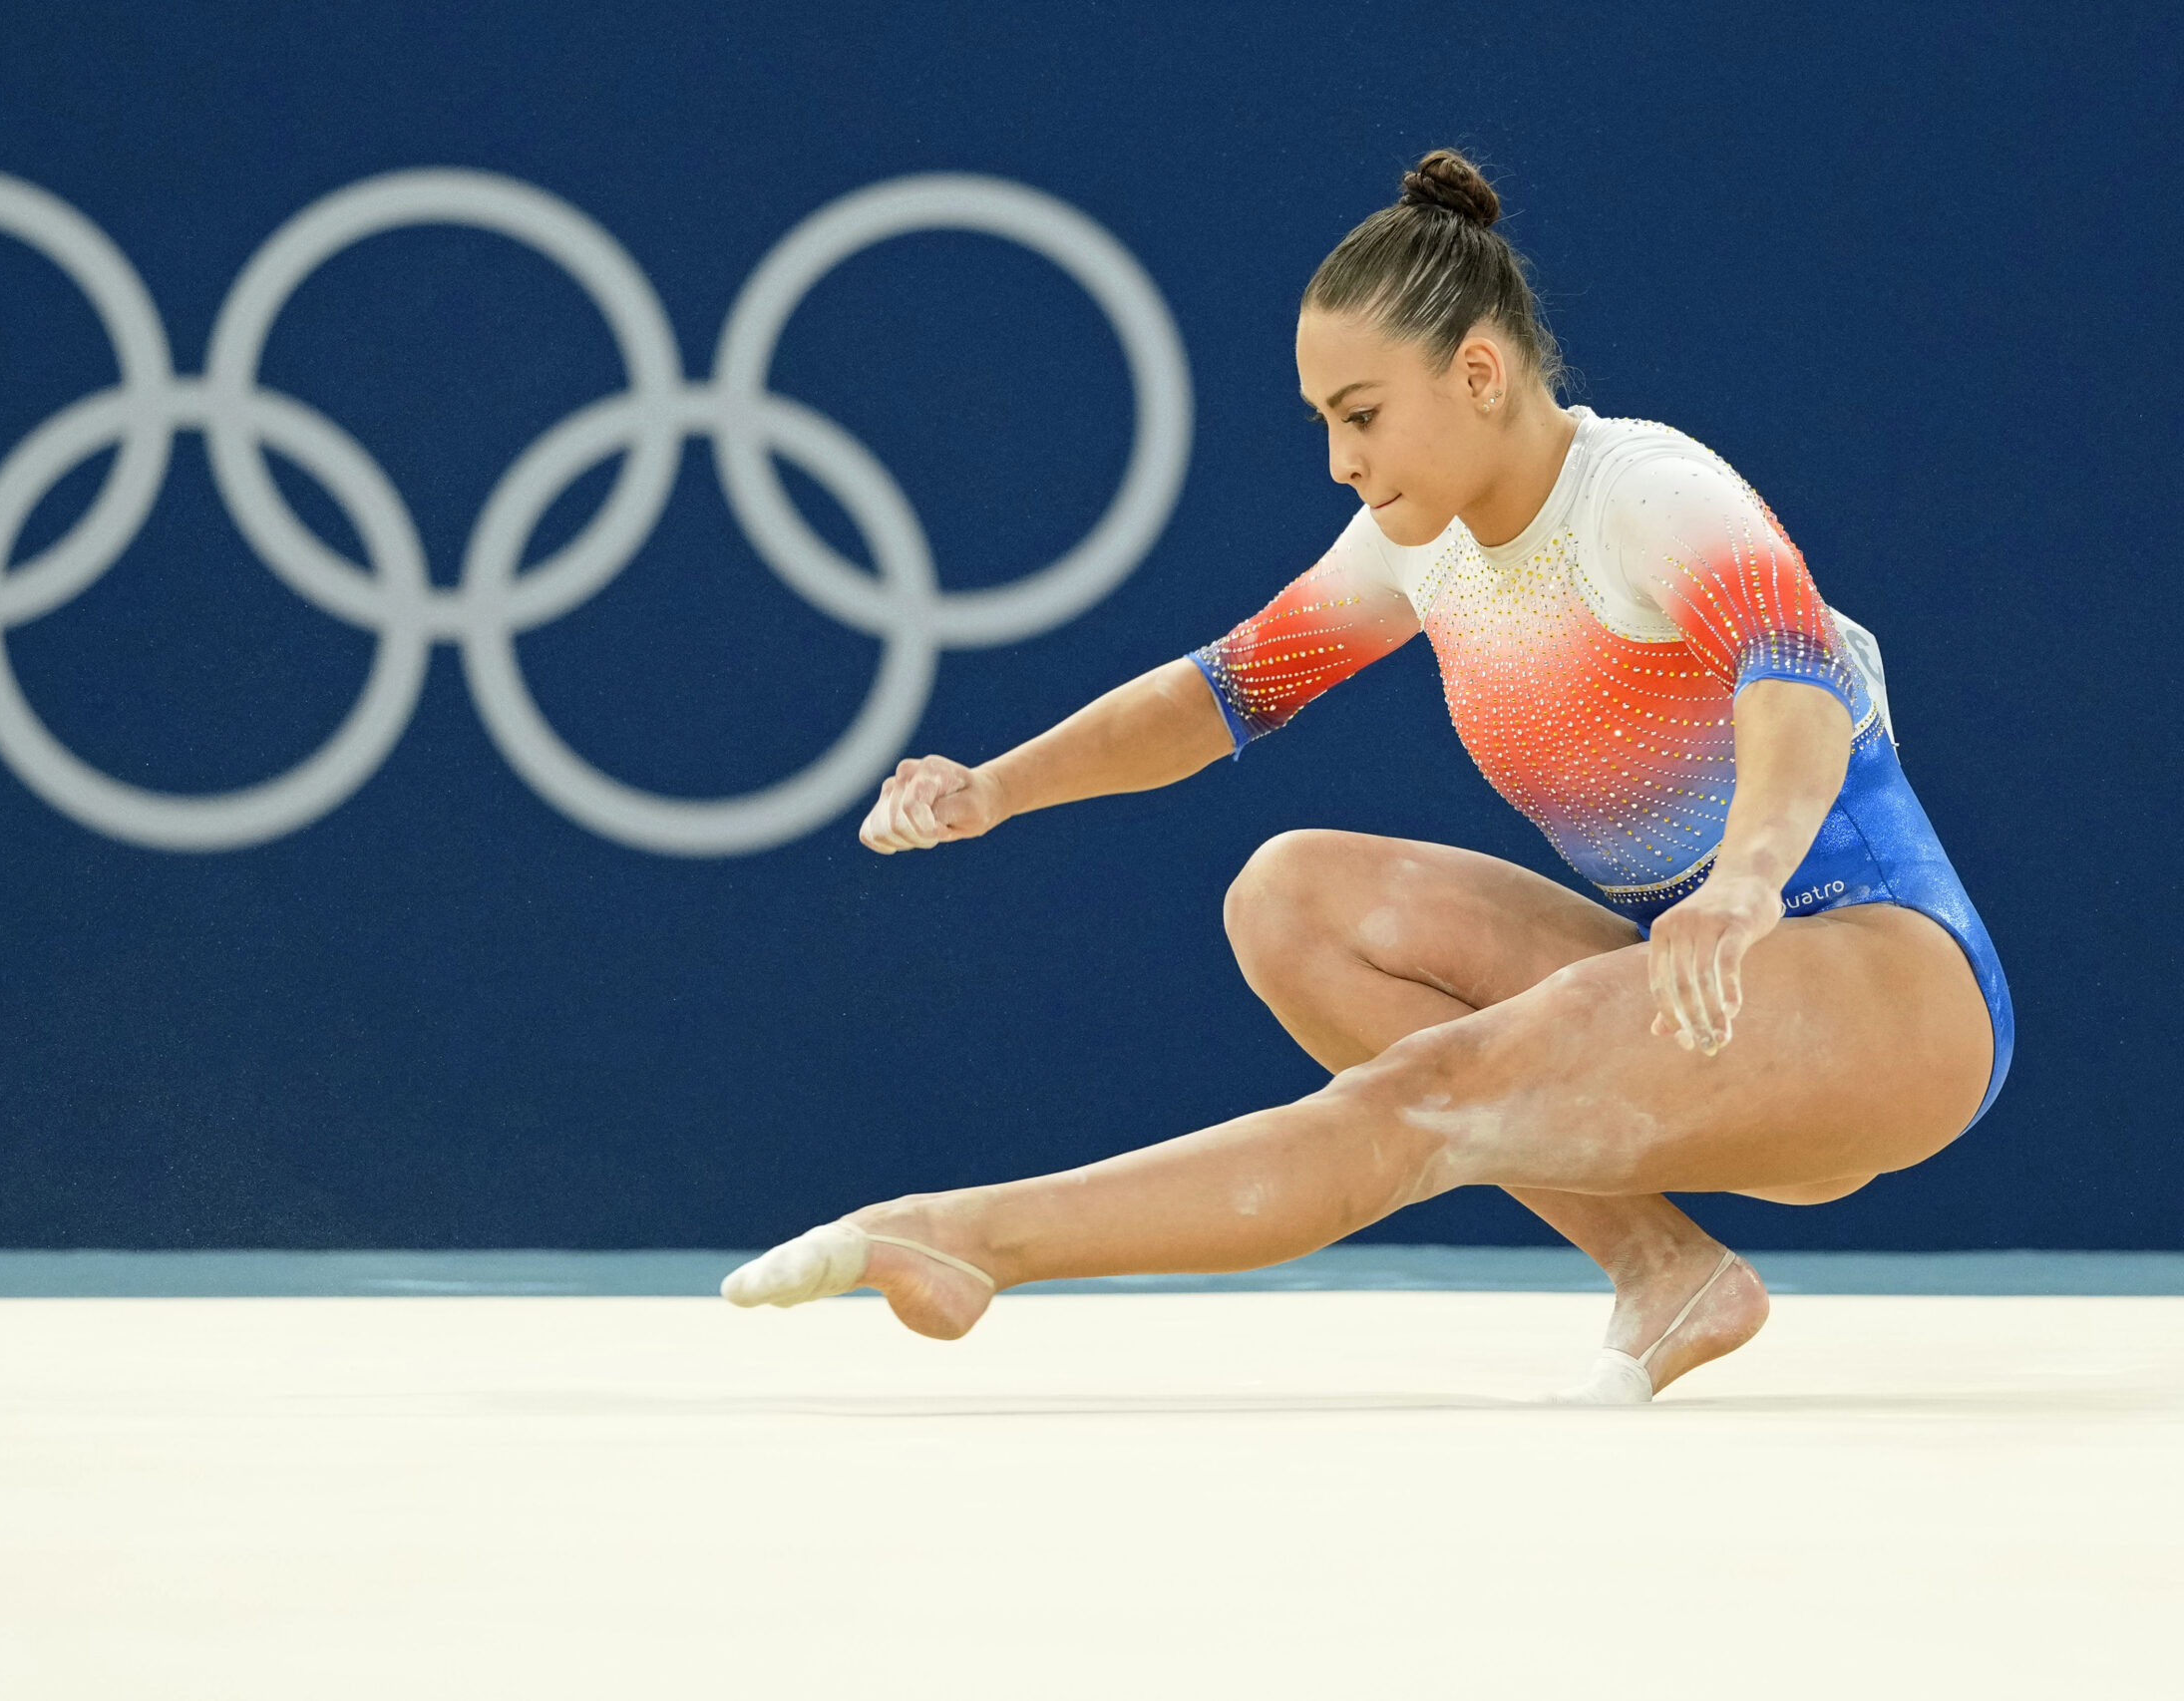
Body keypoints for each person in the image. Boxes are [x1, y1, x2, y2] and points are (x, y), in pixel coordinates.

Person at [720, 149, 2013, 1402]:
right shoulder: (1418, 544)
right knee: (1289, 898)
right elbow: (1214, 694)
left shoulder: (1651, 497)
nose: (1340, 459)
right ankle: (1665, 1269)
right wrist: (994, 784)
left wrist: (1744, 880)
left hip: (1889, 997)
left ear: (1481, 372)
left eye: (1361, 416)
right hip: (1696, 981)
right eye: (1324, 424)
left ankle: (973, 1239)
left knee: (1429, 1097)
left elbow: (1795, 680)